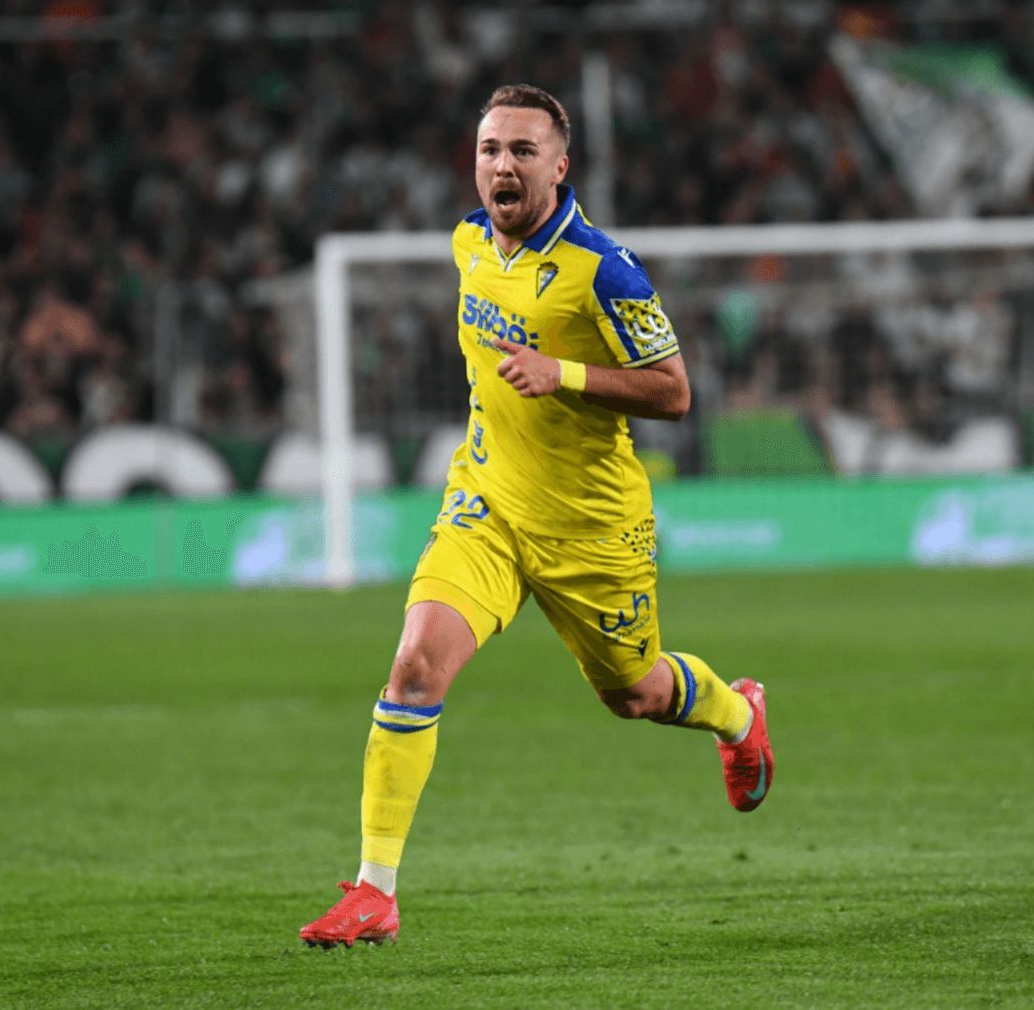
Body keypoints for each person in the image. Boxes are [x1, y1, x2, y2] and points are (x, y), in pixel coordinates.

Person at [299, 84, 775, 949]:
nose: (502, 165)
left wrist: (568, 375)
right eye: (489, 149)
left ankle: (738, 716)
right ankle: (375, 891)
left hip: (591, 529)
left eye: (522, 150)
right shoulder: (468, 242)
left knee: (634, 693)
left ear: (560, 166)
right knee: (412, 670)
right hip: (485, 506)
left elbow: (675, 391)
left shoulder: (606, 269)